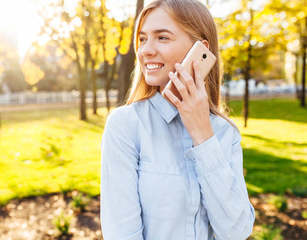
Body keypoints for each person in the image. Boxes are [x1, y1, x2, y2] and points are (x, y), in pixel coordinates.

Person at [100, 0, 255, 239]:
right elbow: (122, 233)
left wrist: (203, 136)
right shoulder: (125, 126)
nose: (146, 50)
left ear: (200, 49)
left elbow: (237, 231)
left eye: (162, 37)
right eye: (142, 39)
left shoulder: (225, 133)